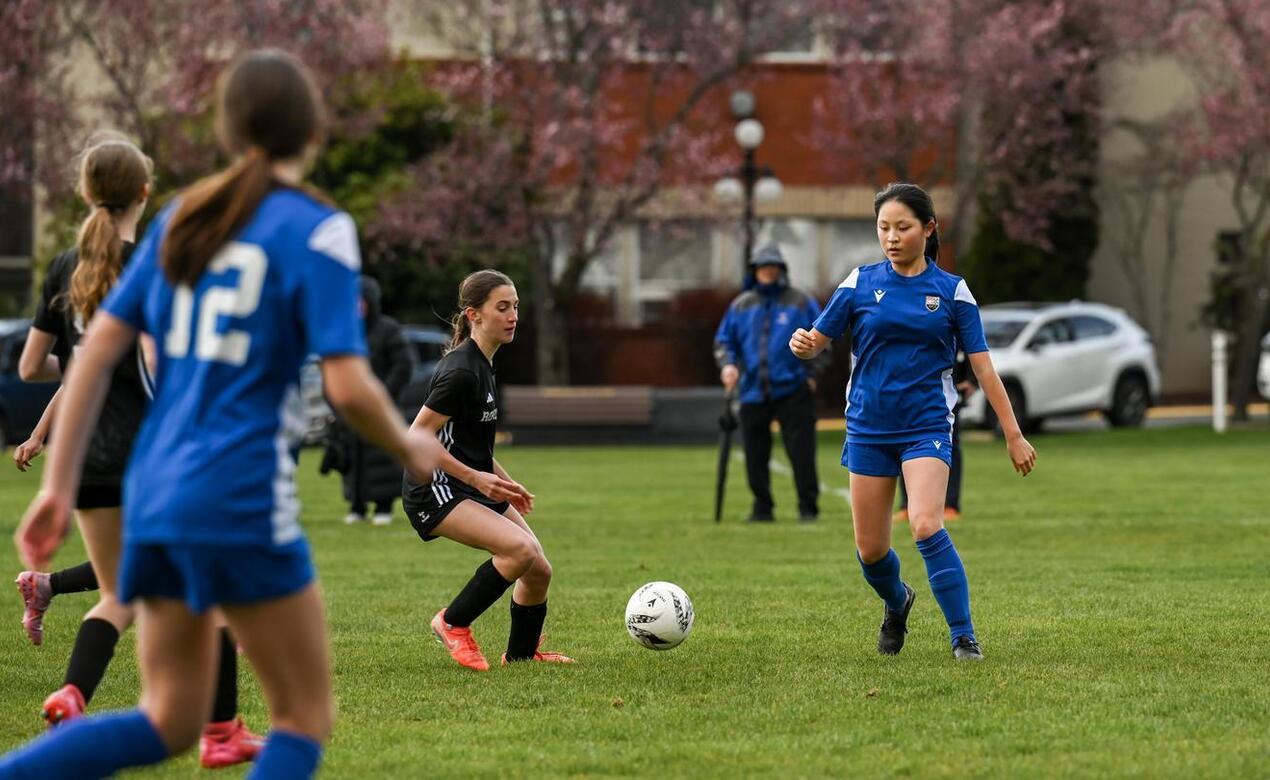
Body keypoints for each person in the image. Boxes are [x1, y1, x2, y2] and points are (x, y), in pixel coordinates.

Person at [1, 49, 440, 779]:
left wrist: (56, 486)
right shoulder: (318, 227)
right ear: (315, 130)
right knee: (303, 719)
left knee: (170, 716)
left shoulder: (182, 218)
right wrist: (407, 444)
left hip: (156, 491)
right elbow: (351, 385)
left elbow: (95, 350)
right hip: (238, 494)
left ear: (228, 129)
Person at [9, 133, 263, 768]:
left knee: (120, 592)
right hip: (155, 456)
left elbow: (34, 364)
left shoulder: (65, 266)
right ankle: (222, 730)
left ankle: (72, 692)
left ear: (85, 191)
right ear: (145, 192)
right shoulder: (156, 262)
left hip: (88, 459)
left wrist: (84, 366)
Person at [789, 182, 1036, 661]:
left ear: (928, 228)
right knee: (872, 552)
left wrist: (1013, 434)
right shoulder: (858, 283)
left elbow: (983, 366)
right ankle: (898, 601)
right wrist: (804, 343)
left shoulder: (951, 291)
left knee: (925, 523)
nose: (892, 236)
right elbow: (819, 338)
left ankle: (963, 636)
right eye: (884, 227)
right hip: (868, 428)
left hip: (925, 424)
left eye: (903, 227)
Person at [402, 269, 574, 671]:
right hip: (435, 488)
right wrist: (477, 478)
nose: (513, 315)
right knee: (520, 550)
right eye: (502, 307)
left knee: (538, 569)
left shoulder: (484, 364)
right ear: (473, 315)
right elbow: (417, 438)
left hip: (467, 482)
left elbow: (470, 444)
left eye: (515, 306)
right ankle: (452, 622)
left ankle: (520, 656)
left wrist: (506, 481)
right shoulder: (461, 371)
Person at [713, 242, 828, 523]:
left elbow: (824, 338)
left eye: (773, 267)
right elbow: (724, 341)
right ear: (755, 271)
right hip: (752, 390)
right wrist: (728, 365)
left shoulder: (800, 301)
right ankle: (762, 508)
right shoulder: (741, 305)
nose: (768, 272)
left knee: (801, 452)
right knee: (755, 453)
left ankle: (808, 507)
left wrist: (812, 375)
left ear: (781, 270)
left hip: (793, 388)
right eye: (763, 267)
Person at [325, 275, 412, 526]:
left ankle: (383, 507)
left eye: (361, 301)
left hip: (380, 409)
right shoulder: (344, 331)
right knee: (352, 459)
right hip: (351, 412)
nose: (357, 307)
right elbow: (330, 368)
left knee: (382, 459)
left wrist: (381, 396)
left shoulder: (389, 330)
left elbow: (403, 365)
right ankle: (357, 506)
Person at [893, 349, 975, 522]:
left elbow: (974, 349)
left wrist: (971, 380)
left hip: (947, 397)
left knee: (951, 447)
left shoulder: (955, 325)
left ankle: (950, 504)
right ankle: (906, 504)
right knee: (904, 443)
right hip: (911, 394)